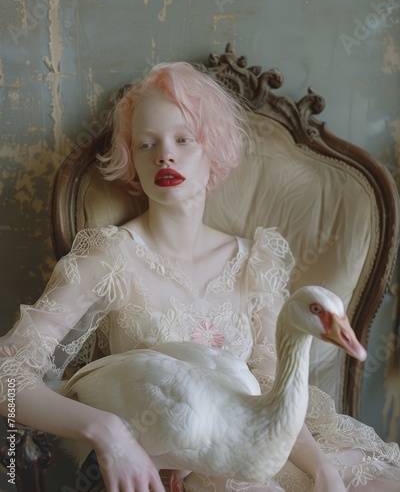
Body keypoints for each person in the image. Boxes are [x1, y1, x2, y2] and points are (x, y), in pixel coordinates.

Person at [0, 62, 399, 492]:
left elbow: (272, 390)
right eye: (146, 143)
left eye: (183, 139)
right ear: (131, 159)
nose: (164, 155)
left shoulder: (255, 263)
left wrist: (322, 469)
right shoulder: (108, 255)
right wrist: (109, 433)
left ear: (214, 149)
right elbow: (7, 372)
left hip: (267, 452)